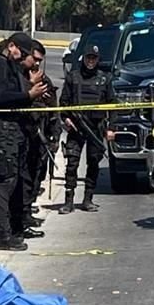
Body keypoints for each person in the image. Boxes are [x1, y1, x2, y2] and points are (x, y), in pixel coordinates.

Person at [0, 32, 48, 251]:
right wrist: (29, 94)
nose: (24, 58)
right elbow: (1, 96)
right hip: (3, 132)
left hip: (14, 132)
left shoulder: (9, 66)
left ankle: (8, 233)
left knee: (15, 182)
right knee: (5, 183)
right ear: (12, 46)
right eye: (24, 53)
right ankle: (2, 238)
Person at [58, 44, 113, 214]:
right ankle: (68, 201)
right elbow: (64, 102)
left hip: (95, 129)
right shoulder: (73, 77)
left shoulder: (104, 79)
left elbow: (112, 105)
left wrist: (111, 128)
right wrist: (66, 118)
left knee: (93, 164)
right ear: (84, 58)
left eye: (94, 58)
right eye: (88, 58)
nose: (91, 61)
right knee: (72, 164)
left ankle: (88, 199)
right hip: (76, 128)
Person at [27, 40, 61, 211]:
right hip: (26, 133)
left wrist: (55, 137)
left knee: (38, 172)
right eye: (35, 58)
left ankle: (30, 205)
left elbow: (54, 112)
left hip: (43, 134)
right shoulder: (21, 77)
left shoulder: (45, 80)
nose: (37, 63)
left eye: (41, 60)